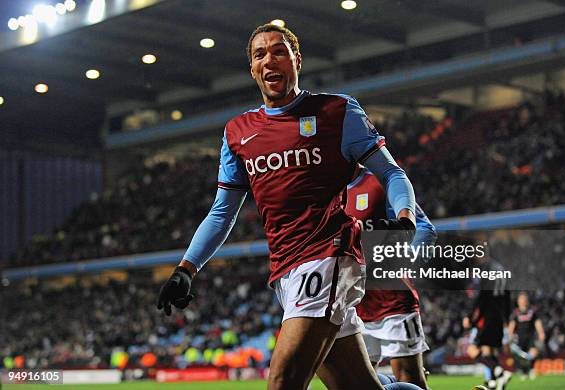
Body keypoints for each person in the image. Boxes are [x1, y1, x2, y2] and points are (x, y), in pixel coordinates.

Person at [157, 23, 423, 390]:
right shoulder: (238, 133)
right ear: (252, 69)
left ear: (297, 60)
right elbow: (222, 211)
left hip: (329, 257)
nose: (270, 60)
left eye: (279, 51)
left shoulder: (337, 111)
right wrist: (187, 267)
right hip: (285, 269)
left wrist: (405, 217)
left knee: (282, 382)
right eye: (259, 54)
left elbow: (391, 173)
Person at [345, 166, 436, 389]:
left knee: (410, 377)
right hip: (352, 303)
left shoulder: (380, 183)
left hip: (392, 302)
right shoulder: (326, 190)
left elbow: (424, 228)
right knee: (359, 382)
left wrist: (402, 262)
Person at [463, 254, 512, 390]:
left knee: (472, 350)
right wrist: (506, 319)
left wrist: (471, 318)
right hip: (498, 318)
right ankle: (493, 382)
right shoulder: (501, 272)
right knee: (489, 352)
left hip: (486, 319)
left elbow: (480, 299)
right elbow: (507, 298)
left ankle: (501, 372)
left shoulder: (484, 272)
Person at [507, 291, 545, 380]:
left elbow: (537, 323)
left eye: (524, 299)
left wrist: (541, 333)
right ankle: (524, 372)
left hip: (531, 336)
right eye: (521, 299)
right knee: (522, 357)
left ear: (527, 300)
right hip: (519, 337)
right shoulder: (515, 313)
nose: (522, 301)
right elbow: (511, 326)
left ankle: (531, 369)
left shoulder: (532, 312)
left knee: (532, 353)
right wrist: (510, 336)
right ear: (518, 301)